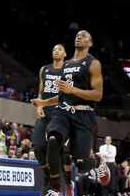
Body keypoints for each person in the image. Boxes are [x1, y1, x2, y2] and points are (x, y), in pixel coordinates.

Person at [32, 30, 105, 196]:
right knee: (52, 140)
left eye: (84, 35)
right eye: (78, 35)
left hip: (83, 114)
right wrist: (44, 102)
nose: (79, 37)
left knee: (81, 165)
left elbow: (98, 95)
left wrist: (73, 90)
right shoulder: (66, 65)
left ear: (90, 43)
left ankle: (98, 162)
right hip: (63, 112)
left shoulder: (93, 63)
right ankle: (55, 188)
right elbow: (63, 95)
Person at [33, 44, 66, 191]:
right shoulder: (44, 69)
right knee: (37, 146)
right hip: (45, 113)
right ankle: (48, 174)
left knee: (54, 150)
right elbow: (41, 91)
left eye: (59, 49)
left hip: (59, 114)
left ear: (65, 54)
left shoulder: (67, 70)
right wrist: (40, 105)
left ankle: (55, 186)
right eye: (54, 49)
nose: (56, 51)